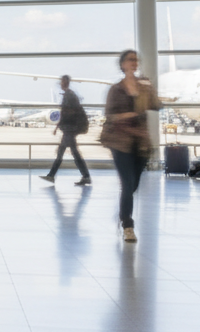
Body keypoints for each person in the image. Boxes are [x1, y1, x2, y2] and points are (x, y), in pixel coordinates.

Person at [101, 49, 160, 243]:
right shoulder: (116, 89)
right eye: (130, 59)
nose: (135, 62)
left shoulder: (143, 86)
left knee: (133, 185)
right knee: (127, 184)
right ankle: (127, 224)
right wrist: (132, 114)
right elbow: (110, 114)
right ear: (123, 64)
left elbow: (156, 105)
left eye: (136, 60)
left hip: (141, 142)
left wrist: (149, 90)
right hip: (120, 142)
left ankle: (123, 212)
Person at [41, 75, 91, 186]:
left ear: (66, 83)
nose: (61, 84)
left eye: (63, 82)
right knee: (70, 153)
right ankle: (85, 176)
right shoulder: (69, 95)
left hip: (69, 130)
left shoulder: (69, 96)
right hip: (69, 129)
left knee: (67, 153)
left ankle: (52, 175)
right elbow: (66, 113)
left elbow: (68, 113)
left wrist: (59, 125)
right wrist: (57, 126)